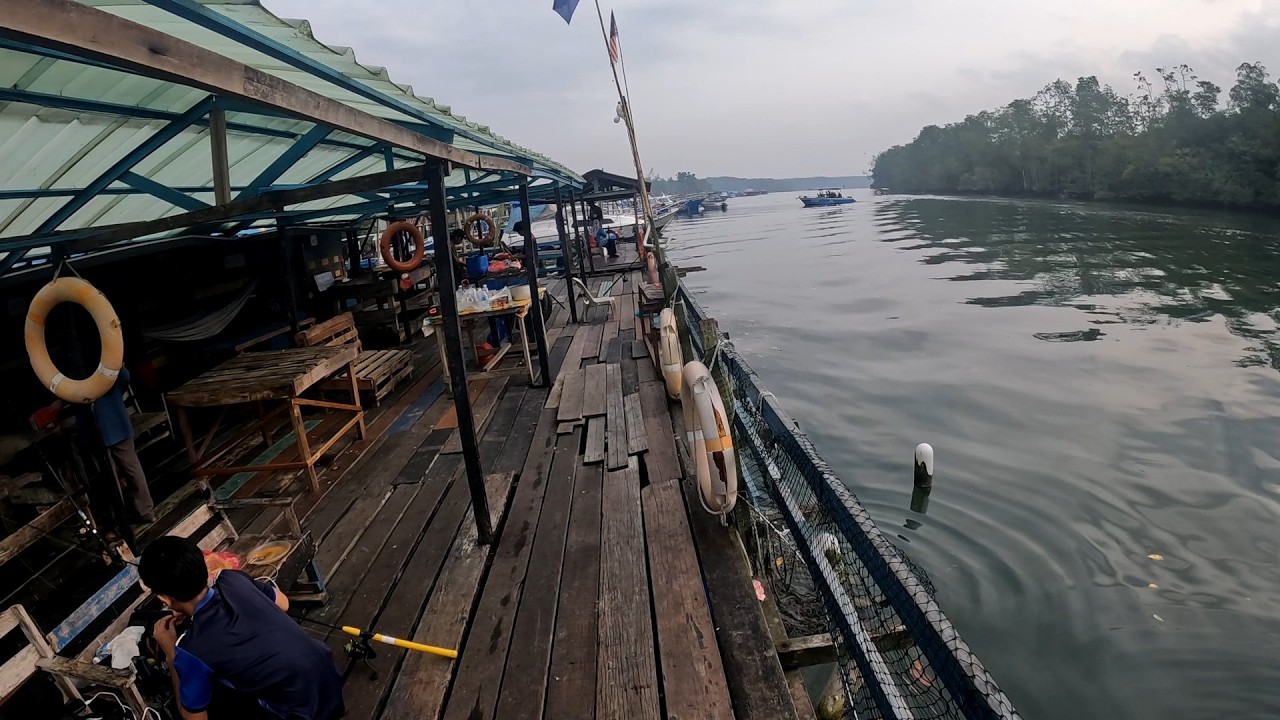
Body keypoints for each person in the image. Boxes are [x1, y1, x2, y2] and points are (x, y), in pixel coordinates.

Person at [140, 536, 346, 720]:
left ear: (165, 599)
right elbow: (283, 603)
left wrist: (171, 653)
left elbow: (194, 718)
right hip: (328, 680)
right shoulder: (232, 579)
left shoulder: (191, 649)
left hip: (300, 713)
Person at [41, 366, 154, 523]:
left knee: (122, 471)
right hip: (103, 423)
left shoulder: (99, 365)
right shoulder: (89, 367)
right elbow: (123, 377)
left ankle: (134, 514)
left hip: (107, 423)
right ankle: (132, 514)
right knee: (119, 471)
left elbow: (122, 377)